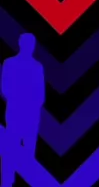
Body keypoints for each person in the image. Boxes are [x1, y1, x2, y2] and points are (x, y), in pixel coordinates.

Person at [1, 33, 45, 187]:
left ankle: (14, 181)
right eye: (27, 43)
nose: (29, 46)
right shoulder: (11, 64)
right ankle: (8, 182)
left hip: (25, 114)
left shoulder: (36, 67)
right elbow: (5, 88)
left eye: (31, 43)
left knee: (25, 151)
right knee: (14, 150)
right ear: (20, 43)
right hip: (19, 113)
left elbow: (41, 95)